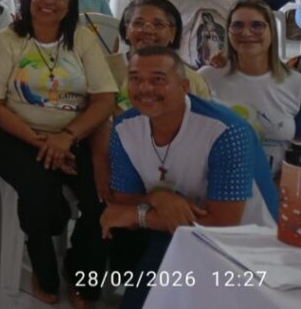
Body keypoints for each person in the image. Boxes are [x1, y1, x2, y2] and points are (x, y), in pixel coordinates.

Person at [101, 46, 277, 309]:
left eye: (158, 79)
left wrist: (139, 215)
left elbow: (223, 223)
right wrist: (158, 198)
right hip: (175, 232)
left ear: (184, 87)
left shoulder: (226, 131)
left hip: (245, 244)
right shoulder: (124, 127)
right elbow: (123, 200)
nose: (144, 88)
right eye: (135, 78)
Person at [0, 0, 116, 306]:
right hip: (12, 133)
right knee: (39, 191)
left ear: (70, 4)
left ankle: (81, 271)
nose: (48, 1)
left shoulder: (82, 39)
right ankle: (43, 267)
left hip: (74, 134)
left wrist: (66, 137)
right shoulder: (8, 41)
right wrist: (42, 142)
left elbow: (104, 98)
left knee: (101, 195)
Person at [199, 0, 301, 175]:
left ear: (272, 31)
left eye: (257, 25)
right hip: (215, 185)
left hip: (275, 187)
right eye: (237, 25)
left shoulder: (295, 83)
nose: (246, 32)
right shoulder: (207, 77)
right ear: (228, 32)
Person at [108, 0, 212, 113]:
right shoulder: (104, 68)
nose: (147, 31)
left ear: (173, 33)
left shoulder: (192, 80)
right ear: (126, 29)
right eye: (138, 23)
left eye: (158, 25)